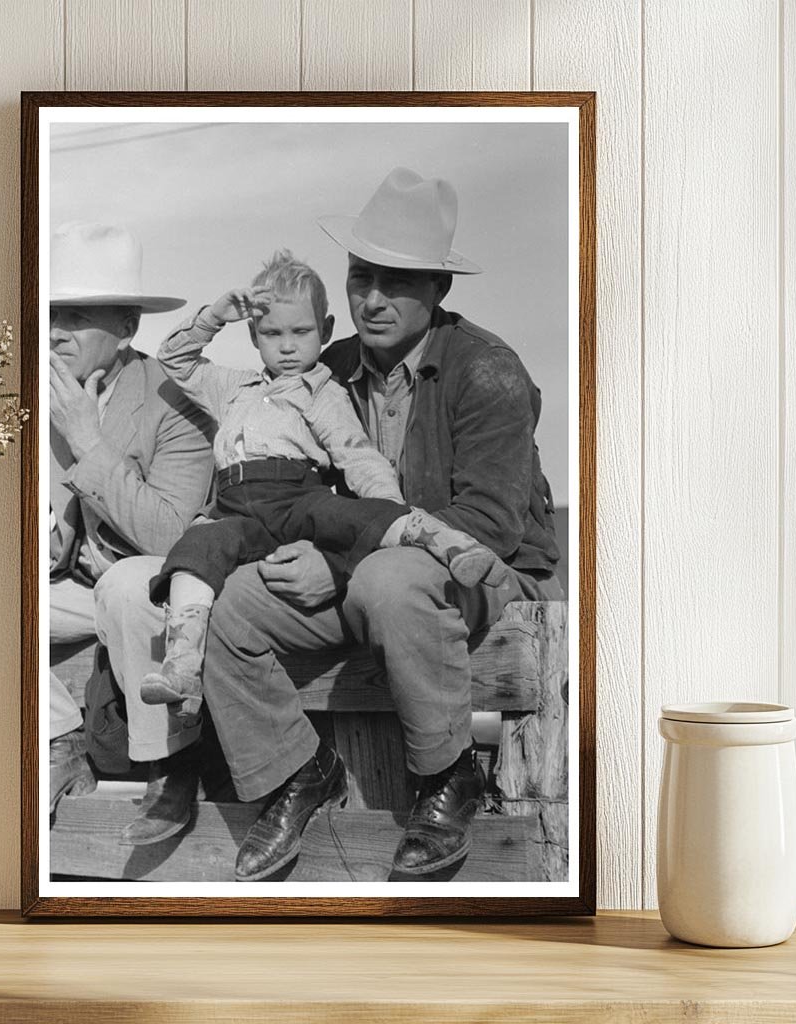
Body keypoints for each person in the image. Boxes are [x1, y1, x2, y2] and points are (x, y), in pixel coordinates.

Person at [97, 166, 562, 879]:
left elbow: (491, 524)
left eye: (397, 281)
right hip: (361, 561)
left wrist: (335, 561)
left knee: (389, 578)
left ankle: (446, 775)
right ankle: (297, 771)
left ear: (438, 290)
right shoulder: (327, 362)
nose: (373, 298)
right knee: (230, 602)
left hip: (478, 573)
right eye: (360, 276)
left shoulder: (486, 371)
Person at [139, 251, 508, 721]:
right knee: (193, 555)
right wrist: (215, 317)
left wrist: (386, 507)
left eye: (301, 332)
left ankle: (448, 545)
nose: (287, 347)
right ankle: (181, 666)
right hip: (234, 509)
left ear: (326, 332)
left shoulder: (323, 392)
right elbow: (175, 358)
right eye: (272, 334)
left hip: (295, 497)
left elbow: (357, 455)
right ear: (253, 335)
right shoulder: (234, 387)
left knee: (350, 515)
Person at [48, 221, 213, 836]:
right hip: (81, 588)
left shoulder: (178, 401)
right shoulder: (41, 390)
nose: (59, 329)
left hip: (167, 588)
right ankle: (61, 736)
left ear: (127, 328)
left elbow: (172, 538)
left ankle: (171, 767)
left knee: (126, 587)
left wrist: (88, 440)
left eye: (79, 316)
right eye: (54, 311)